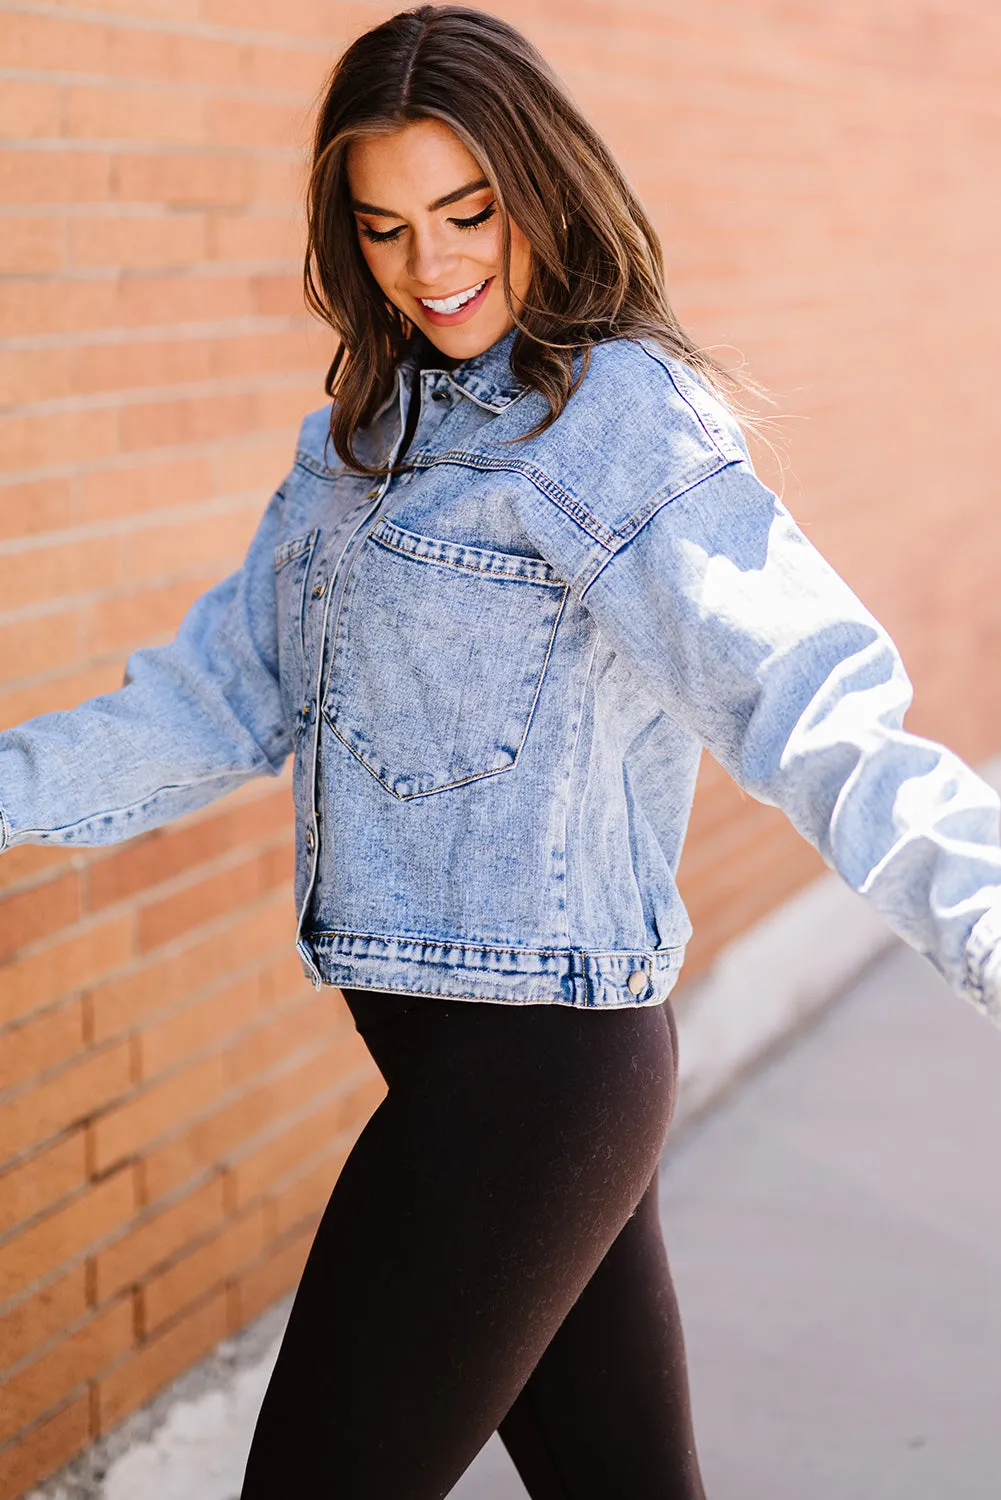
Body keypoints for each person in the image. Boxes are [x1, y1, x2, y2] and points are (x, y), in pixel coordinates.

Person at [3, 5, 1001, 1496]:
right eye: (388, 226)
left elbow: (818, 713)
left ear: (545, 186)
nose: (436, 265)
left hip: (542, 1082)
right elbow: (213, 700)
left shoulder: (615, 427)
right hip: (473, 1069)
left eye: (471, 212)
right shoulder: (361, 440)